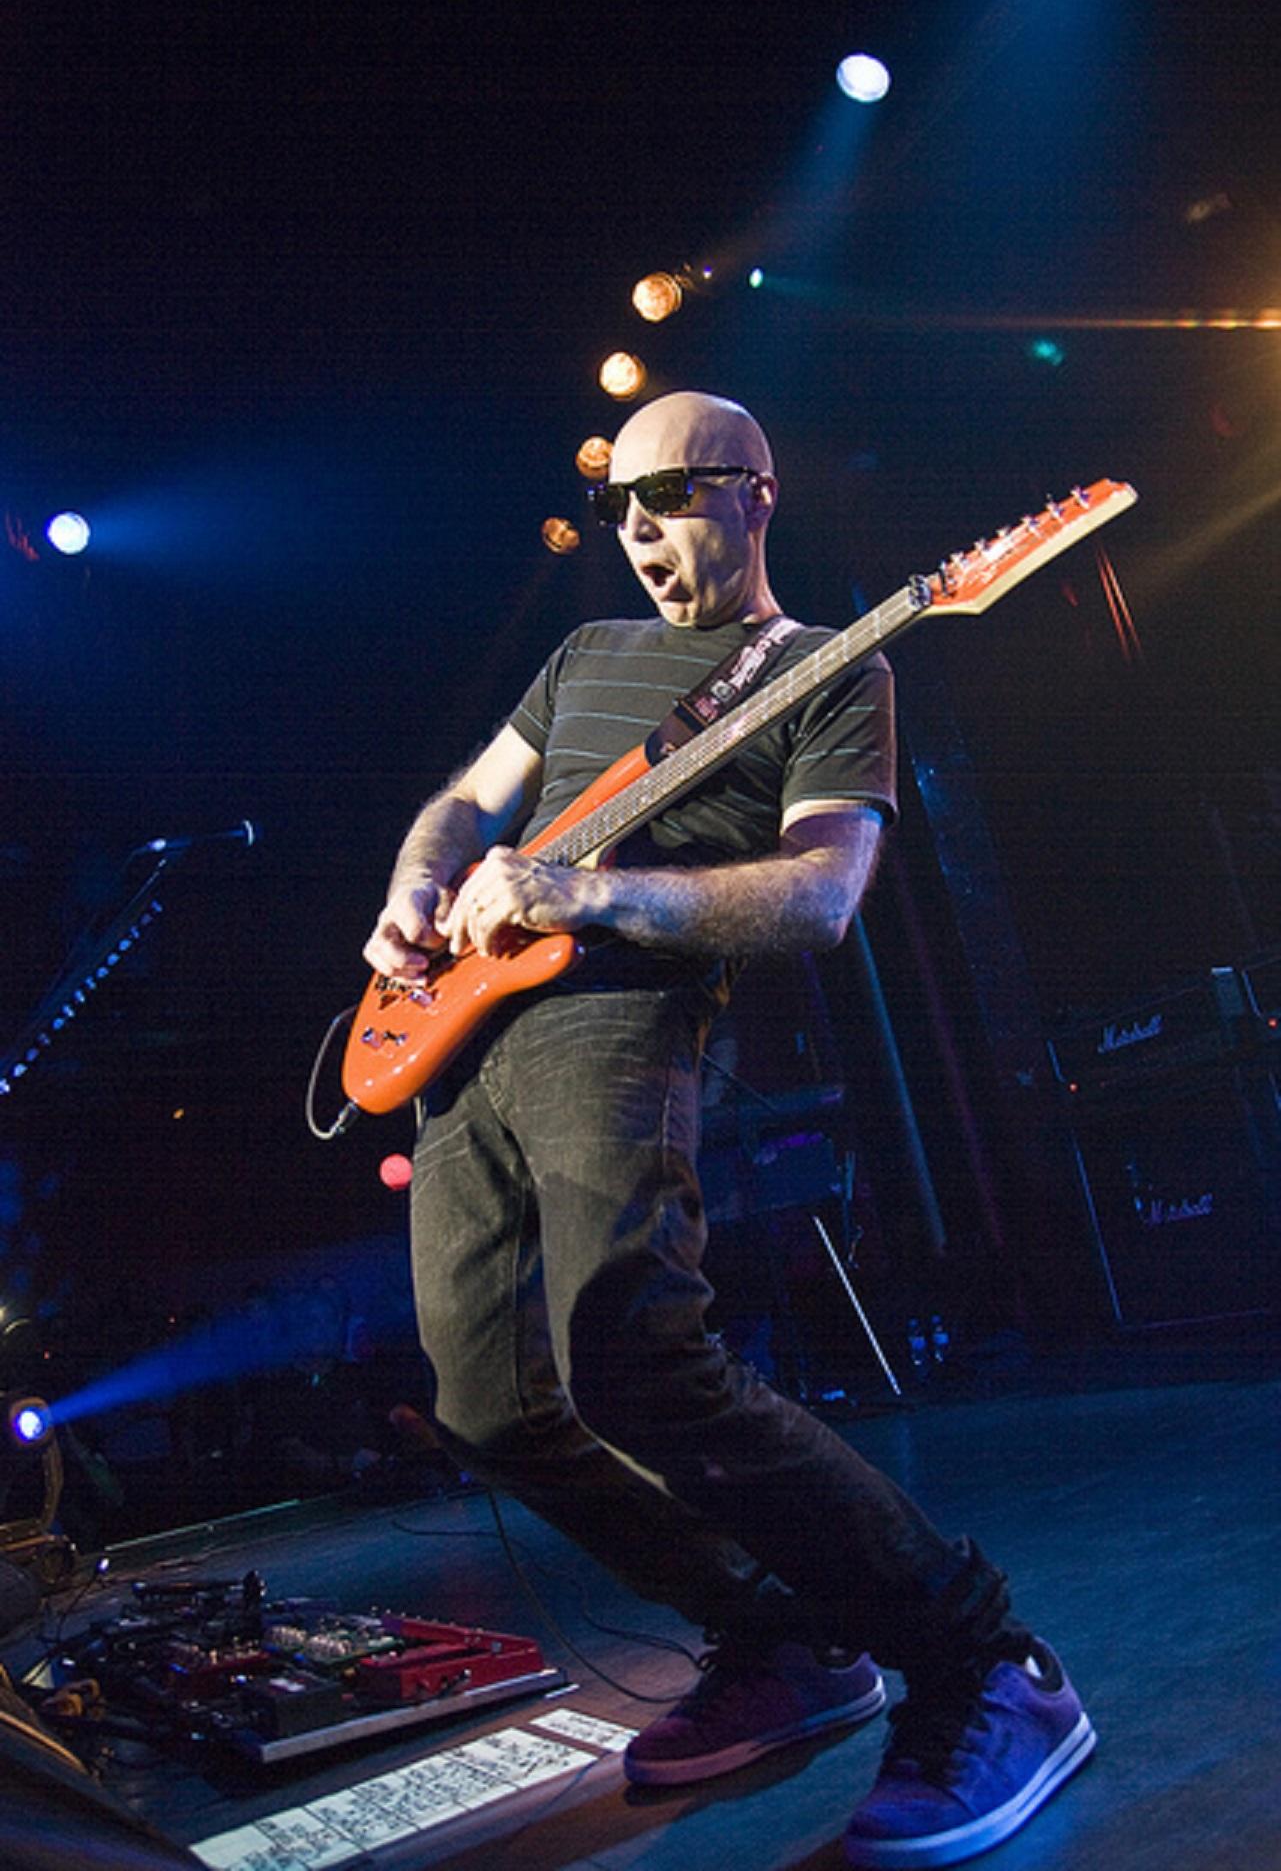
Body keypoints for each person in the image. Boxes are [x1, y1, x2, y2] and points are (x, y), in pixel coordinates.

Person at [363, 391, 1094, 1866]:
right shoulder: (580, 658)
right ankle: (781, 1641)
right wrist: (412, 895)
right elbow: (463, 806)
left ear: (757, 496)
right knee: (486, 1403)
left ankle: (988, 1667)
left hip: (612, 1015)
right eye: (622, 507)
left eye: (673, 494)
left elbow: (818, 899)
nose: (638, 529)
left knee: (634, 1356)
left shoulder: (825, 669)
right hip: (459, 1036)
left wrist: (592, 897)